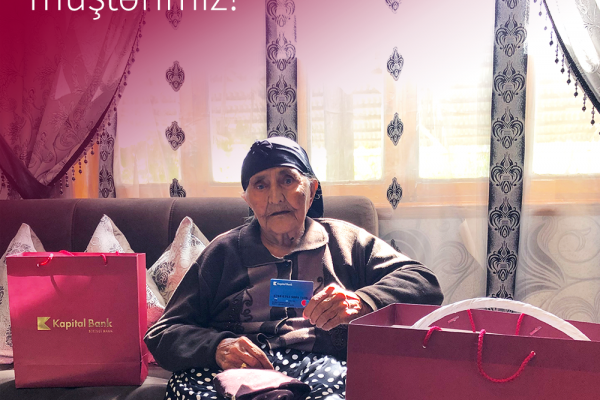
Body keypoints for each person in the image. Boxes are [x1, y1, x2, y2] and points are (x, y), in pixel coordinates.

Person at [144, 137, 444, 400]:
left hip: (324, 368)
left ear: (311, 190)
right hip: (239, 372)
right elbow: (163, 333)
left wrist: (362, 301)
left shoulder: (345, 241)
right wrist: (218, 347)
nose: (275, 197)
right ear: (247, 198)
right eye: (260, 185)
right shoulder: (223, 252)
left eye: (287, 180)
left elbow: (424, 283)